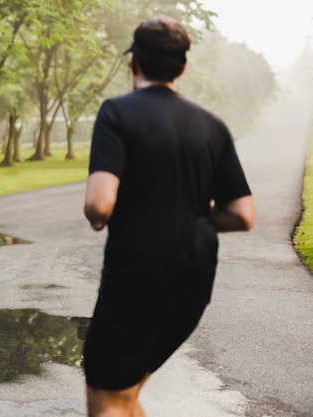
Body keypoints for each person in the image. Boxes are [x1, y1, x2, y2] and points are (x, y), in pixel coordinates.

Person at [82, 15, 255, 417]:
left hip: (138, 270)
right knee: (125, 396)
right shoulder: (212, 125)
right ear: (183, 66)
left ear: (132, 62)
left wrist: (102, 216)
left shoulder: (117, 113)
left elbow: (99, 204)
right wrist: (189, 215)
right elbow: (243, 214)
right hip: (195, 278)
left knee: (107, 399)